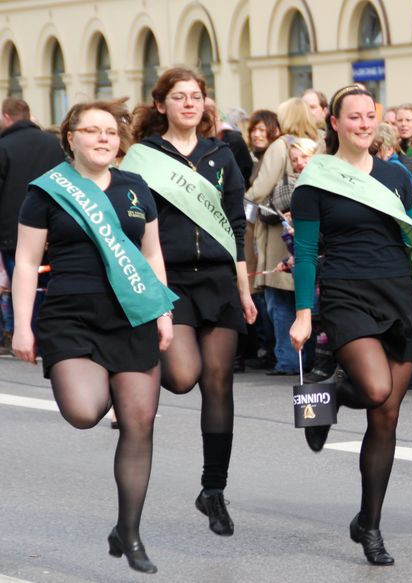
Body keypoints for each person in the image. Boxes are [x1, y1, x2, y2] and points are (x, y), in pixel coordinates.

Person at [13, 100, 177, 573]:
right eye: (92, 131)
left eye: (111, 131)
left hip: (133, 316)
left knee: (139, 422)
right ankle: (103, 386)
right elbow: (26, 262)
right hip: (71, 315)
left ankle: (129, 530)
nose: (103, 138)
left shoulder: (135, 188)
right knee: (86, 411)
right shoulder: (46, 192)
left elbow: (151, 255)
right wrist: (22, 324)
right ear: (71, 138)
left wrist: (163, 310)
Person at [289, 84, 412, 565]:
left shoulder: (396, 176)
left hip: (398, 293)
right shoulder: (315, 179)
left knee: (386, 416)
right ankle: (332, 392)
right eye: (352, 117)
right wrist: (301, 314)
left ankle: (369, 524)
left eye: (368, 116)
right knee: (376, 391)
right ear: (334, 123)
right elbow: (304, 253)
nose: (362, 124)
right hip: (347, 294)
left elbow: (411, 237)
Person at [123, 67, 256, 536]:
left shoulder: (222, 154)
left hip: (219, 280)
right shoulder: (142, 158)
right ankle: (134, 379)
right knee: (183, 377)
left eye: (196, 96)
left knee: (219, 381)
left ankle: (213, 489)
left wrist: (244, 289)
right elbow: (131, 221)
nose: (188, 104)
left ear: (205, 103)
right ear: (161, 105)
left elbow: (237, 227)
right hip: (170, 279)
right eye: (179, 97)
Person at [245, 97, 319, 376]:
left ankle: (288, 360)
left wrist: (243, 203)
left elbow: (261, 187)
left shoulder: (282, 145)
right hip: (308, 226)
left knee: (280, 298)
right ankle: (309, 357)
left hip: (280, 231)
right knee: (306, 294)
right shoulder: (318, 141)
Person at [0, 97, 65, 335]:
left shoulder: (3, 147)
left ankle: (27, 331)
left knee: (22, 281)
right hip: (54, 228)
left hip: (14, 232)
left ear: (7, 116)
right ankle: (51, 330)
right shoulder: (53, 143)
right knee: (51, 283)